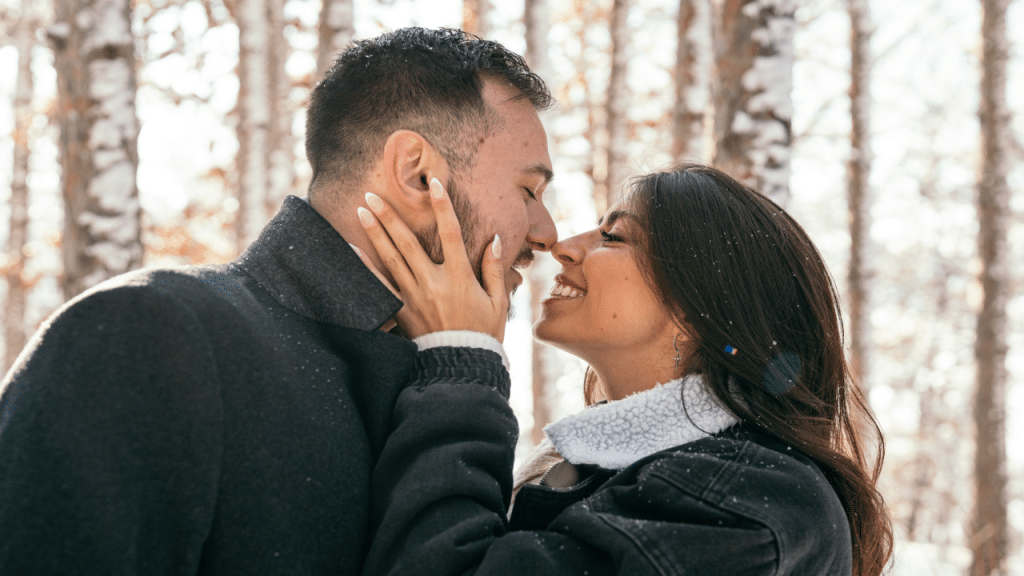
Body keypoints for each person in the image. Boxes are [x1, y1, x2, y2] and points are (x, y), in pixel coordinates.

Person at [0, 28, 557, 574]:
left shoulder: (444, 390)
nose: (547, 233)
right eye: (528, 191)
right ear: (417, 174)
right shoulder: (150, 335)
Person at [357, 164, 894, 576]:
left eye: (613, 237)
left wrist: (461, 359)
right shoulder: (619, 469)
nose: (563, 247)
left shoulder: (743, 501)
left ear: (696, 305)